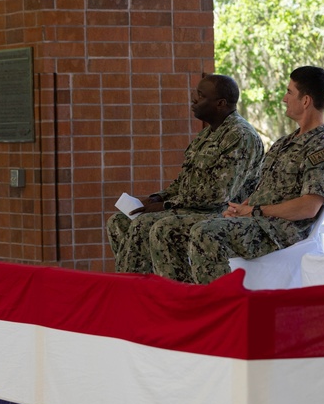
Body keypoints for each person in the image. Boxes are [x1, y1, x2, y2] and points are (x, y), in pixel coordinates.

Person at [159, 66, 324, 284]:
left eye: (289, 92)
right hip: (256, 220)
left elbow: (308, 207)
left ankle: (221, 307)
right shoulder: (285, 142)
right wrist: (242, 209)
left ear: (305, 101)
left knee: (206, 233)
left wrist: (254, 211)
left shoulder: (323, 147)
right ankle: (181, 303)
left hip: (279, 230)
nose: (285, 99)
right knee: (168, 229)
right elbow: (267, 188)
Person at [106, 74, 263, 280]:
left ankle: (168, 296)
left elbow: (218, 195)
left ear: (220, 103)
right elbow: (183, 182)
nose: (194, 99)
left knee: (151, 226)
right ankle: (140, 291)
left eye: (201, 95)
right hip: (193, 208)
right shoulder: (207, 134)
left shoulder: (240, 135)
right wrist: (156, 198)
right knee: (119, 221)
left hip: (223, 213)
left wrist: (167, 206)